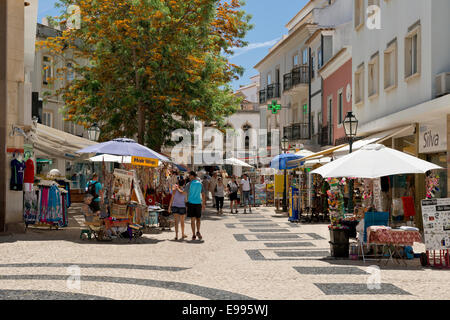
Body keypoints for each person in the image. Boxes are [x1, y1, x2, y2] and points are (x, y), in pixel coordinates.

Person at [186, 171, 206, 241]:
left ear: (192, 176)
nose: (188, 177)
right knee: (198, 219)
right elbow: (203, 195)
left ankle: (194, 234)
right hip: (198, 203)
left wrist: (185, 203)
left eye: (189, 175)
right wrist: (203, 204)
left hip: (191, 203)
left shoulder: (188, 184)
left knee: (192, 220)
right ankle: (198, 231)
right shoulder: (200, 184)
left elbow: (185, 194)